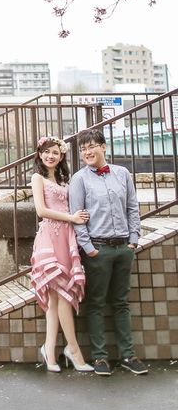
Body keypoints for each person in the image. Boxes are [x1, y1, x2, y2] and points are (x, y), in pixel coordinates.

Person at [69, 128, 147, 376]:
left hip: (124, 248)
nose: (87, 152)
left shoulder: (122, 174)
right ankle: (100, 357)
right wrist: (89, 249)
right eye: (83, 149)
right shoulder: (79, 179)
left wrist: (133, 239)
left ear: (103, 147)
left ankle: (128, 355)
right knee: (96, 303)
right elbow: (77, 216)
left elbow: (132, 207)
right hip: (98, 250)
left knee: (122, 303)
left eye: (91, 146)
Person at [30, 135, 92, 373]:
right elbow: (41, 210)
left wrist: (76, 220)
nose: (50, 156)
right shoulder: (37, 178)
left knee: (57, 300)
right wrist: (72, 218)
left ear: (62, 155)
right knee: (63, 295)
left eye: (55, 152)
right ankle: (73, 350)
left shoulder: (65, 180)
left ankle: (49, 349)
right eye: (46, 152)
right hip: (50, 237)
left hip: (66, 238)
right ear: (40, 154)